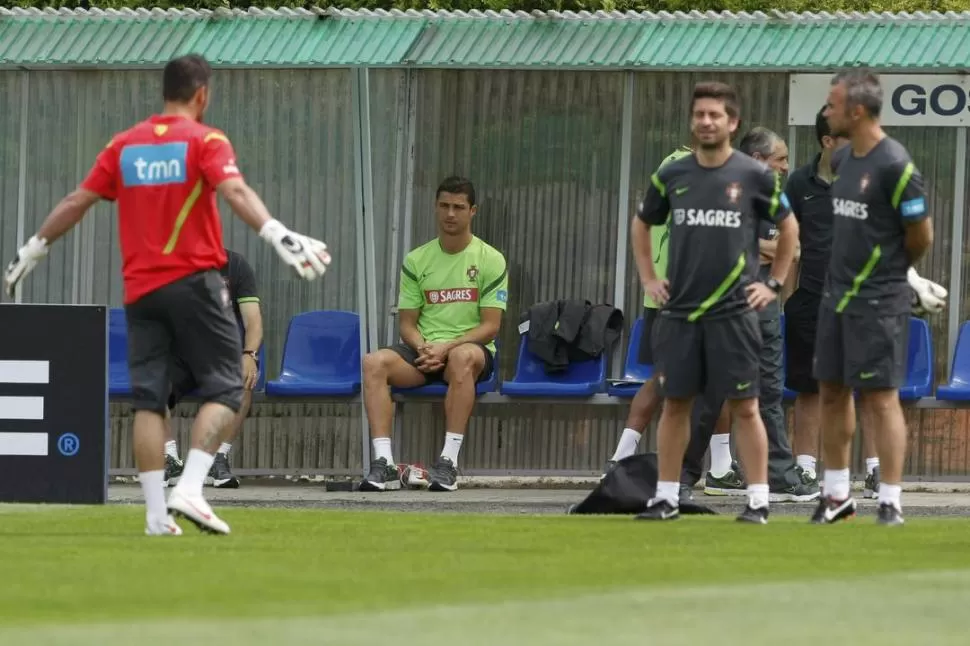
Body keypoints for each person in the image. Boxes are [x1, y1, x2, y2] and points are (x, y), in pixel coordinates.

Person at [3, 54, 331, 536]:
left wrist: (33, 248)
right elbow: (236, 192)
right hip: (195, 283)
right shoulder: (206, 140)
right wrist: (279, 234)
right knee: (225, 386)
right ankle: (191, 487)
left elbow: (78, 201)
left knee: (150, 402)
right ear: (202, 94)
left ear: (165, 92)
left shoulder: (125, 145)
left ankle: (156, 514)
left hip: (141, 292)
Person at [633, 81, 799, 524]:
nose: (707, 121)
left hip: (735, 314)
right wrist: (649, 277)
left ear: (733, 122)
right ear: (693, 120)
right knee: (676, 405)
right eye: (700, 114)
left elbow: (789, 229)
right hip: (682, 313)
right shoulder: (673, 175)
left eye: (716, 115)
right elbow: (642, 222)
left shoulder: (755, 175)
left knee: (746, 405)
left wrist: (775, 284)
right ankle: (666, 498)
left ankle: (759, 500)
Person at [812, 70, 935, 525]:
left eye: (832, 104)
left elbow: (921, 235)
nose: (827, 112)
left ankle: (889, 501)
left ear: (856, 110)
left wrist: (897, 274)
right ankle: (837, 497)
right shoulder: (843, 159)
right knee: (831, 392)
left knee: (880, 398)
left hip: (880, 301)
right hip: (835, 299)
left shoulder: (896, 166)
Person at [678, 126, 819, 503]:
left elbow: (792, 250)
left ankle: (780, 475)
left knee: (769, 391)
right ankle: (680, 474)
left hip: (765, 307)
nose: (787, 167)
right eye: (780, 160)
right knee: (711, 394)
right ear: (757, 160)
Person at [359, 176, 508, 493]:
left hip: (471, 353)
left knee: (461, 356)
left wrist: (446, 347)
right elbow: (407, 324)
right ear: (435, 208)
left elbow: (491, 325)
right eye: (444, 206)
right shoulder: (416, 260)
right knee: (374, 362)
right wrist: (424, 347)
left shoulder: (491, 259)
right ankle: (384, 464)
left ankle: (448, 463)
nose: (450, 214)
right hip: (425, 352)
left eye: (458, 207)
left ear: (473, 212)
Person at [784, 107, 882, 498]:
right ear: (828, 141)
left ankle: (876, 471)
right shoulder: (798, 183)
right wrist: (788, 296)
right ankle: (805, 470)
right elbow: (789, 241)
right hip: (810, 302)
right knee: (810, 390)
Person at [164, 247, 263, 490]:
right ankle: (171, 461)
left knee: (244, 378)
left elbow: (253, 320)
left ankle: (217, 458)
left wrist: (249, 354)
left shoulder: (236, 265)